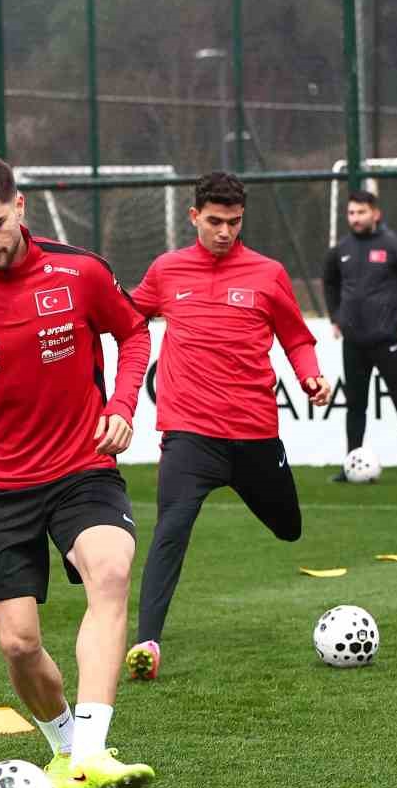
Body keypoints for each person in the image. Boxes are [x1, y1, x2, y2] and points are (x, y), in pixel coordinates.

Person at [0, 153, 155, 788]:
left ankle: (92, 752)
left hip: (81, 467)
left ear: (20, 206)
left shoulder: (81, 271)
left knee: (111, 570)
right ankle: (67, 748)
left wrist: (122, 406)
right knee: (18, 643)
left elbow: (134, 334)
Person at [122, 172, 333, 682]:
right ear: (194, 216)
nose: (224, 231)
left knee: (288, 528)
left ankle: (261, 492)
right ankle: (147, 643)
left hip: (254, 436)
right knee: (170, 532)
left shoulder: (268, 273)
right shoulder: (167, 270)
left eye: (234, 222)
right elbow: (126, 316)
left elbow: (296, 337)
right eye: (215, 221)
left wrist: (310, 375)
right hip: (189, 435)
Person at [322, 189, 397, 484]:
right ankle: (351, 465)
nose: (355, 218)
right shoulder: (341, 249)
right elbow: (330, 281)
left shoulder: (394, 246)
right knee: (355, 405)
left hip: (387, 341)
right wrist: (335, 317)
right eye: (351, 213)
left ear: (375, 214)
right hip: (353, 342)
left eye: (361, 212)